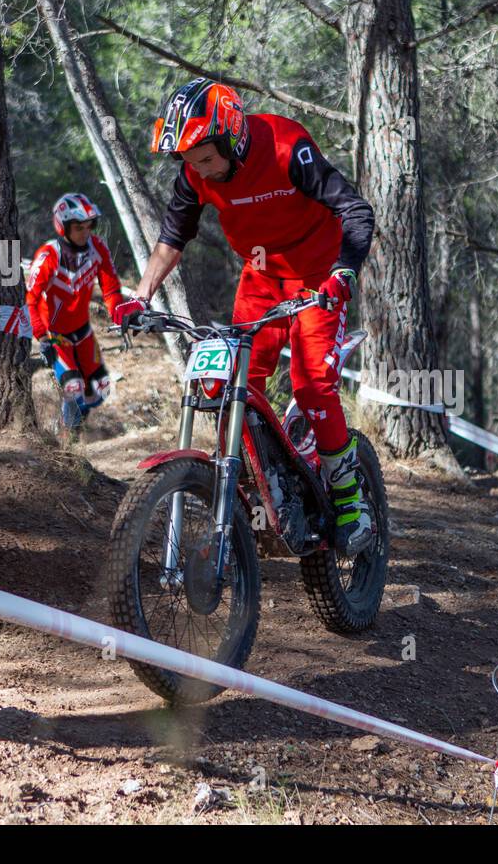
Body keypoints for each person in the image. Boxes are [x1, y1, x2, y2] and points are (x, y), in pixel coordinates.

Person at [117, 79, 376, 556]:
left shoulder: (285, 148)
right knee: (235, 382)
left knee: (310, 384)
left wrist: (343, 273)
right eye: (189, 161)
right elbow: (172, 237)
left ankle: (348, 498)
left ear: (232, 135)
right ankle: (263, 489)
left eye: (206, 158)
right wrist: (141, 296)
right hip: (259, 278)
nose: (200, 171)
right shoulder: (196, 175)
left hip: (319, 278)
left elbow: (356, 210)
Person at [25, 193, 125, 434]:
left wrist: (120, 316)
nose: (85, 232)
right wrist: (42, 337)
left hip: (83, 333)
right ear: (63, 227)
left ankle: (69, 426)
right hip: (56, 335)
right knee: (73, 388)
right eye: (79, 227)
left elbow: (110, 287)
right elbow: (29, 300)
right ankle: (65, 439)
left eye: (89, 226)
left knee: (100, 391)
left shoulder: (97, 247)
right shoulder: (49, 256)